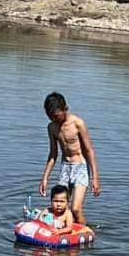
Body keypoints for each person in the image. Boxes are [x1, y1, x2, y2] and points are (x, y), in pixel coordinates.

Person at [40, 92, 100, 224]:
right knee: (59, 208)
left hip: (81, 168)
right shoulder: (51, 127)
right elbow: (53, 154)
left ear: (65, 109)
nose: (53, 119)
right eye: (50, 117)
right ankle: (66, 232)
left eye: (56, 116)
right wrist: (45, 178)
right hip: (65, 168)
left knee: (75, 209)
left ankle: (85, 232)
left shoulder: (78, 124)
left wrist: (95, 178)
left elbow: (89, 151)